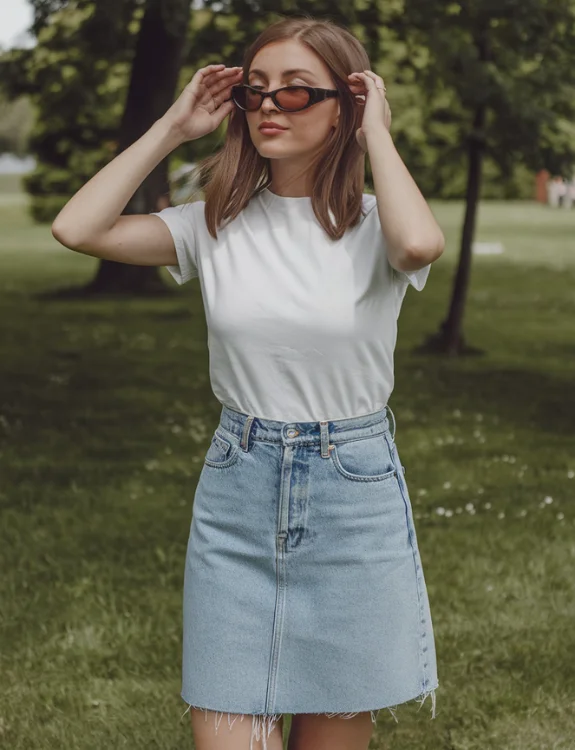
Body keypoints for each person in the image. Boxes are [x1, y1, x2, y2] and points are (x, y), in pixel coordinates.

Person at [52, 15, 444, 750]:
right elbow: (78, 228)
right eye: (256, 90)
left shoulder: (376, 224)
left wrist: (377, 136)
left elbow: (419, 243)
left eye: (298, 92)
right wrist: (172, 127)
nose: (268, 105)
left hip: (350, 496)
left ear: (346, 106)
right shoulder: (213, 224)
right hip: (238, 488)